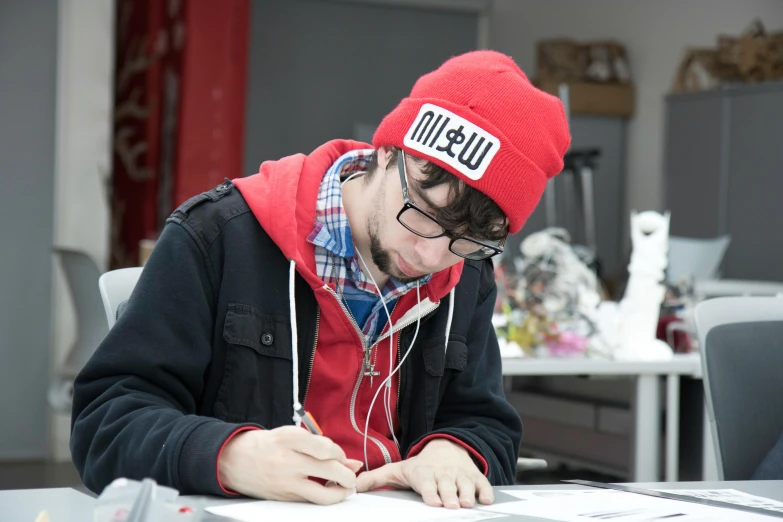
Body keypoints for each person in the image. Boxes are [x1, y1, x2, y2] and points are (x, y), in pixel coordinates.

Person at [70, 50, 570, 508]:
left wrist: (455, 452)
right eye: (422, 214)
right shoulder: (220, 237)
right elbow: (104, 421)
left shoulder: (467, 277)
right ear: (387, 152)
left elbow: (487, 423)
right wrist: (229, 456)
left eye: (466, 241)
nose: (432, 253)